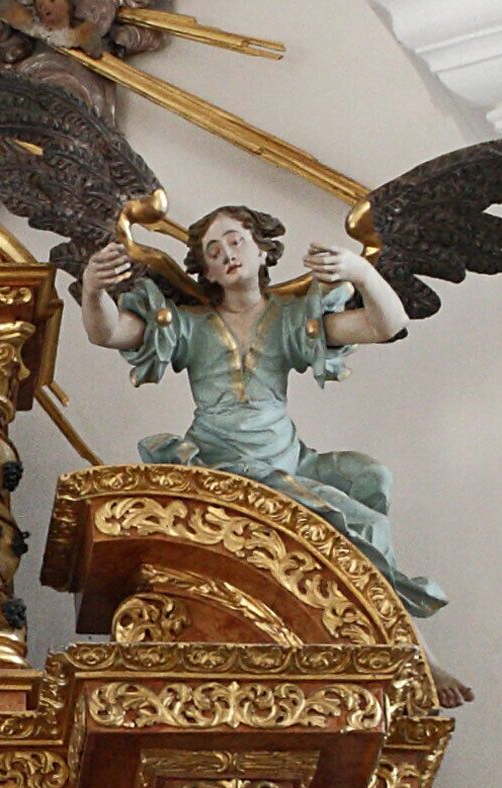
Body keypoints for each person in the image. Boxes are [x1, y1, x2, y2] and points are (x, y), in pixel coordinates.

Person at [81, 206, 449, 628]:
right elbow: (108, 333)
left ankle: (387, 625)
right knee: (363, 524)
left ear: (262, 251)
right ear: (209, 273)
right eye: (213, 251)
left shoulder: (291, 319)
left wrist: (362, 273)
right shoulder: (188, 325)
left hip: (284, 458)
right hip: (218, 460)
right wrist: (93, 292)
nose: (227, 254)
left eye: (236, 241)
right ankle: (403, 634)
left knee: (371, 477)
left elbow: (387, 324)